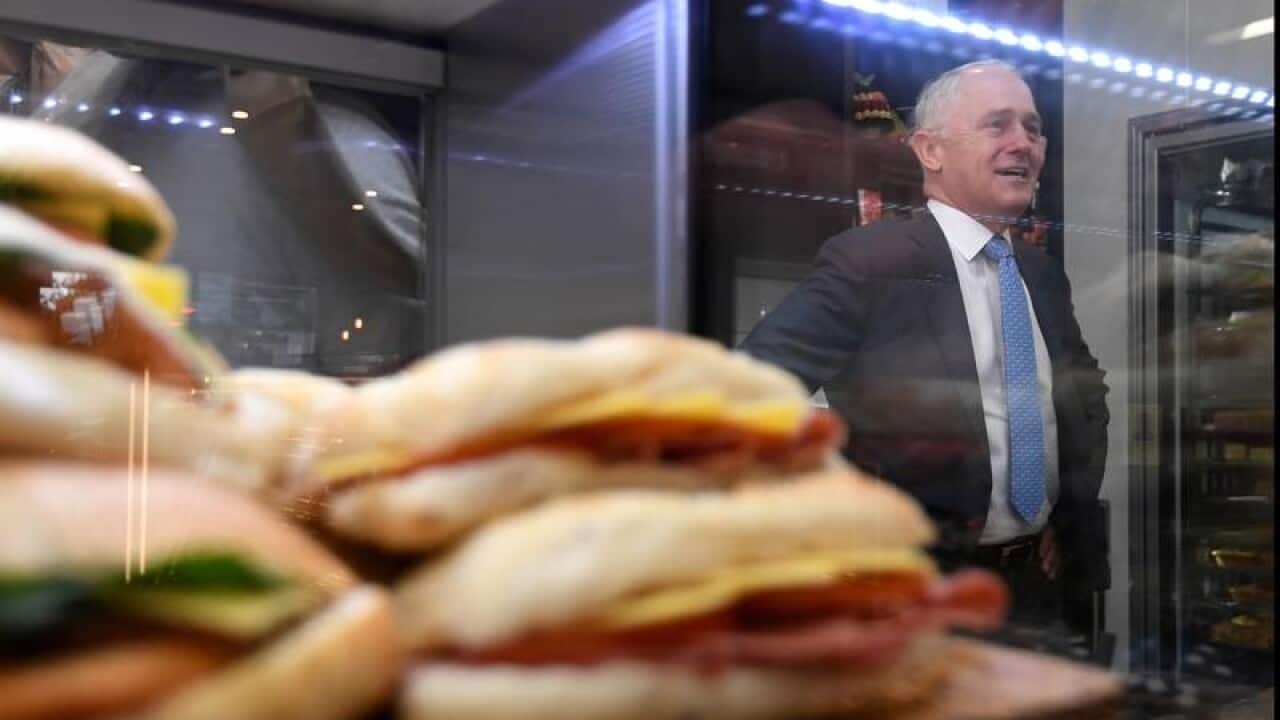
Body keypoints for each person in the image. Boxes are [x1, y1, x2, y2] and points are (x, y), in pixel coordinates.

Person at [741, 60, 1110, 630]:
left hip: (1037, 588)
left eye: (1033, 128)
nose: (1025, 144)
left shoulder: (1039, 273)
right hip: (916, 597)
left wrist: (1066, 515)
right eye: (998, 125)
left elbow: (1087, 397)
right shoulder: (870, 263)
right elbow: (751, 395)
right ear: (930, 151)